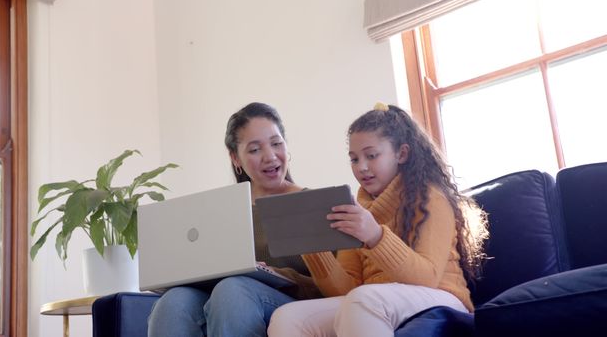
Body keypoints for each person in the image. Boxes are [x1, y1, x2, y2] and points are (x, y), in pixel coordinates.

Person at [267, 102, 488, 336]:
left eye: (371, 156)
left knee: (363, 300)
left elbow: (427, 277)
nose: (361, 168)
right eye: (354, 159)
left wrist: (375, 236)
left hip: (443, 297)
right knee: (288, 317)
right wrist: (313, 249)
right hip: (376, 301)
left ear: (401, 154)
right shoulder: (359, 209)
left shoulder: (431, 197)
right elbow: (346, 289)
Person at [147, 102, 320, 337]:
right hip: (226, 298)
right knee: (174, 302)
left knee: (233, 290)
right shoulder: (221, 210)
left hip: (287, 302)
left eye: (276, 143)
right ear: (235, 158)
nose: (270, 156)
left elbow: (337, 285)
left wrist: (279, 275)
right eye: (255, 149)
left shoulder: (313, 203)